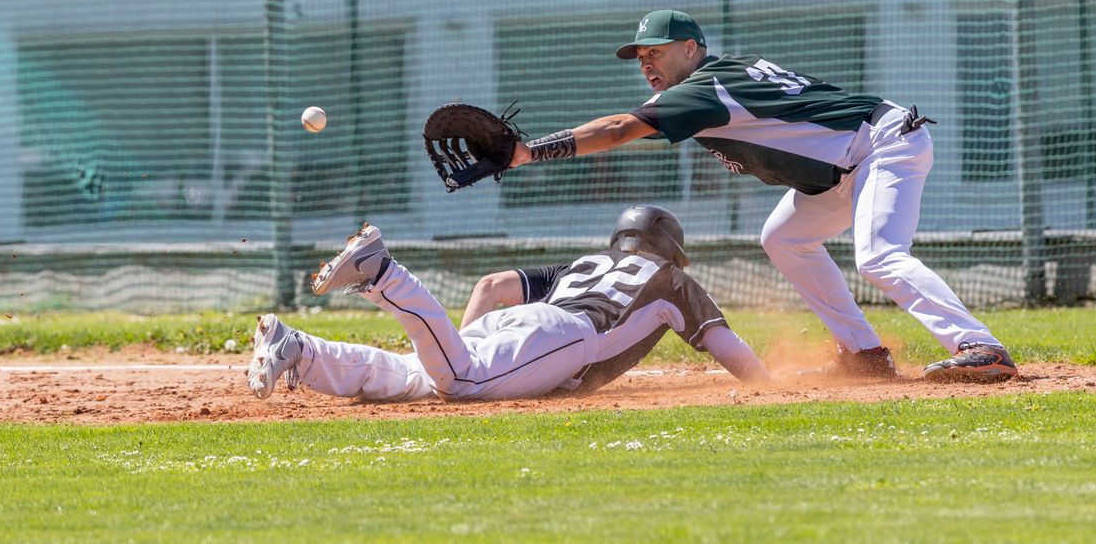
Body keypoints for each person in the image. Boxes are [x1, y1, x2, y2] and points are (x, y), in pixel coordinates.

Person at [507, 9, 1017, 383]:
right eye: (641, 57)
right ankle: (864, 354)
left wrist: (528, 152)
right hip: (844, 169)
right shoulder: (707, 86)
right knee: (783, 238)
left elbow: (619, 128)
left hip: (882, 144)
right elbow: (630, 124)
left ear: (691, 48)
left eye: (657, 51)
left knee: (879, 255)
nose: (647, 63)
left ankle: (980, 346)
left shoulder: (707, 86)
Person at [246, 205, 769, 402]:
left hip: (519, 323)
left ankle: (299, 350)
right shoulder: (670, 279)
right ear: (669, 251)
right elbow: (728, 348)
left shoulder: (582, 265)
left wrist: (464, 341)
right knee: (461, 381)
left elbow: (493, 286)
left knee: (416, 377)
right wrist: (772, 385)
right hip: (567, 337)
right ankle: (383, 272)